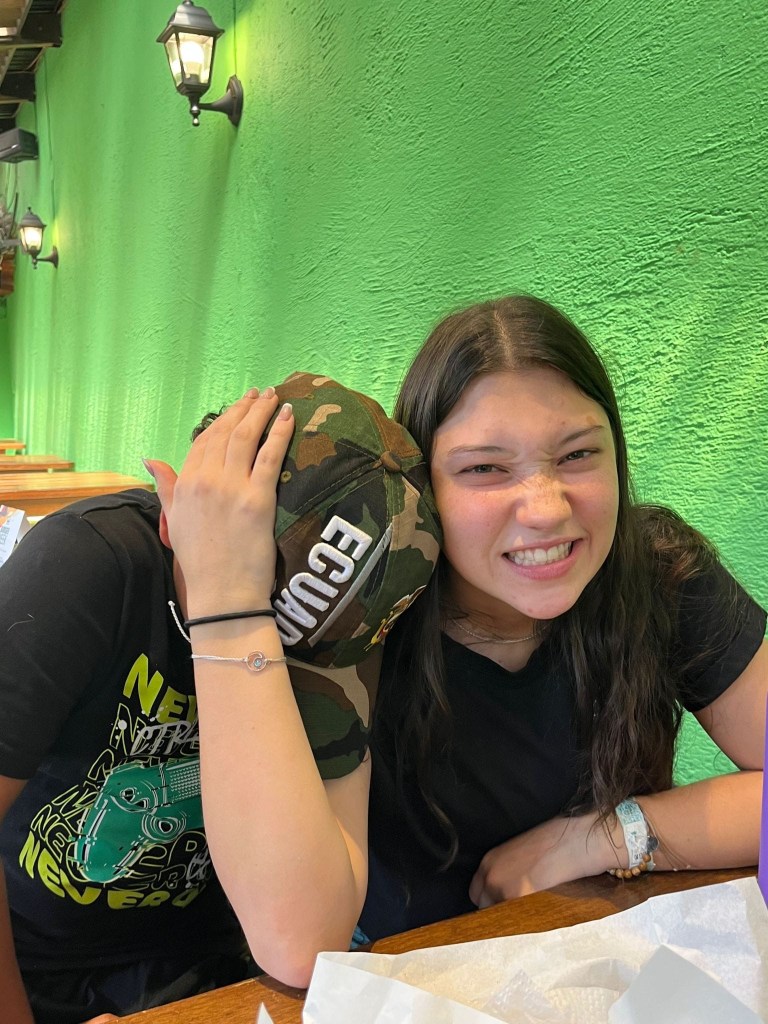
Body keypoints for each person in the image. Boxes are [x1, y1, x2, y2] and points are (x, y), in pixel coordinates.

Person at [0, 372, 440, 1023]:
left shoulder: (347, 623)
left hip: (212, 967)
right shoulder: (88, 565)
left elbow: (301, 942)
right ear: (176, 515)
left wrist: (232, 614)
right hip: (35, 965)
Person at [359, 294, 767, 940]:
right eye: (485, 468)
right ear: (422, 485)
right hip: (400, 975)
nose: (546, 509)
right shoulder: (367, 617)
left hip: (610, 957)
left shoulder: (659, 572)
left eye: (577, 455)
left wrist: (605, 836)